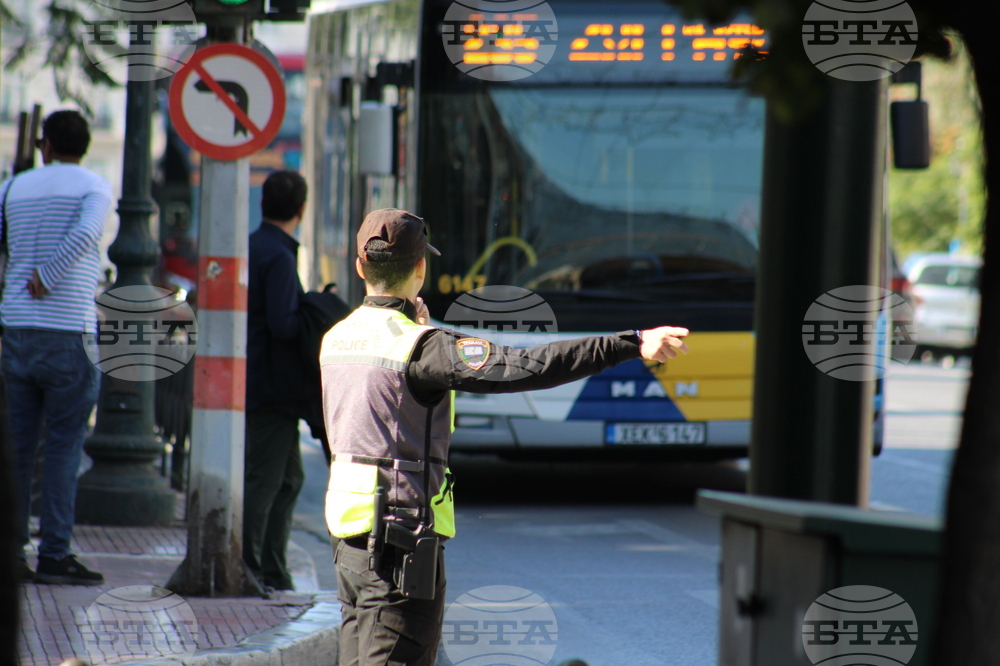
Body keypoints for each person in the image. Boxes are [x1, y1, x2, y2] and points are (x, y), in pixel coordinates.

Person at [321, 208, 691, 665]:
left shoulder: (336, 338)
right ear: (421, 269)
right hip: (401, 545)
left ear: (359, 267)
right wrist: (630, 343)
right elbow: (527, 365)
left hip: (348, 546)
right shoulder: (422, 346)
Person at [0, 109, 112, 585]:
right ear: (84, 145)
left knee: (18, 450)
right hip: (68, 331)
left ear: (45, 145)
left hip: (16, 328)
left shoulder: (12, 186)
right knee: (65, 447)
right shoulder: (94, 186)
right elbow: (88, 234)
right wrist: (48, 275)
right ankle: (55, 554)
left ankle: (10, 553)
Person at [244, 170, 347, 591]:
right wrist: (316, 306)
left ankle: (274, 570)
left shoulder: (253, 246)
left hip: (262, 382)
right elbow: (286, 326)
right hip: (272, 386)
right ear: (301, 210)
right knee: (266, 480)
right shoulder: (280, 257)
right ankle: (250, 568)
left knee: (289, 480)